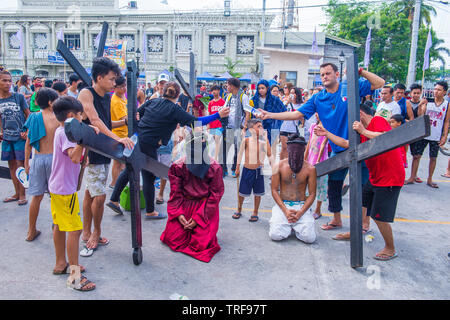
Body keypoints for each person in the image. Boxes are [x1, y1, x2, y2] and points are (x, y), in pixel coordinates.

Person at [258, 63, 385, 231]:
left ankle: (364, 223)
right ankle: (337, 219)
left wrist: (359, 71)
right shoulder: (319, 98)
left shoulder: (349, 87)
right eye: (322, 74)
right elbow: (297, 114)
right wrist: (271, 115)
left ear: (337, 74)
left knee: (362, 188)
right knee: (334, 185)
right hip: (337, 149)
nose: (324, 76)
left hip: (360, 145)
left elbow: (379, 83)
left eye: (328, 73)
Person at [107, 82, 230, 218]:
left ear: (163, 91)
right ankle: (150, 211)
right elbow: (196, 121)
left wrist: (137, 131)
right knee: (148, 176)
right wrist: (218, 115)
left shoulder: (152, 102)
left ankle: (114, 199)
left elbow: (135, 116)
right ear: (177, 95)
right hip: (149, 144)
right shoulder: (174, 109)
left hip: (137, 140)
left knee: (129, 169)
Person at [315, 103, 404, 260]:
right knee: (360, 204)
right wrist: (327, 133)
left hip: (390, 177)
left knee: (378, 216)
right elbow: (347, 144)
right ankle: (355, 231)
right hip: (376, 177)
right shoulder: (361, 133)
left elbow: (386, 137)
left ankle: (391, 248)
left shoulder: (378, 121)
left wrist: (363, 130)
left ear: (360, 114)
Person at [77, 57, 134, 256]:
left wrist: (123, 126)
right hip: (91, 150)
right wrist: (117, 140)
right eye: (111, 79)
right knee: (99, 196)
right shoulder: (86, 93)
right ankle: (95, 232)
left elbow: (106, 124)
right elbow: (94, 120)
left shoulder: (106, 96)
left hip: (102, 149)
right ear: (99, 77)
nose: (114, 83)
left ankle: (86, 231)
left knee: (90, 192)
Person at [49, 96, 97, 291]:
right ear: (70, 116)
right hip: (64, 190)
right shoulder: (67, 134)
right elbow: (75, 157)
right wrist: (84, 139)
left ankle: (61, 263)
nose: (82, 118)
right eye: (79, 115)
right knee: (74, 230)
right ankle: (75, 276)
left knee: (60, 225)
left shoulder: (61, 131)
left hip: (58, 187)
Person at [160, 131, 224, 263]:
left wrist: (198, 218)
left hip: (204, 207)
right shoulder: (178, 166)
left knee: (200, 244)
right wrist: (178, 214)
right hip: (184, 206)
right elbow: (175, 193)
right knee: (173, 238)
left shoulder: (214, 168)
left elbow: (215, 196)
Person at [23, 88, 59, 241]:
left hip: (37, 159)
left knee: (36, 197)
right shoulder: (58, 118)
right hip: (55, 160)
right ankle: (56, 227)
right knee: (56, 196)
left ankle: (31, 231)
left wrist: (26, 163)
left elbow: (28, 143)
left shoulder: (34, 117)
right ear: (51, 102)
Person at [269, 134, 317, 243]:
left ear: (303, 150)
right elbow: (274, 190)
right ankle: (288, 224)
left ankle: (294, 225)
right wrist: (285, 211)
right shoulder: (279, 166)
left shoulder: (310, 169)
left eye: (298, 151)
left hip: (301, 206)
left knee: (309, 238)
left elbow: (312, 194)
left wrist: (300, 213)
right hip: (283, 205)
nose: (295, 154)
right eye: (293, 151)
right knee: (275, 235)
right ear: (288, 149)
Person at [406, 81, 450, 189]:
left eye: (439, 90)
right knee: (417, 156)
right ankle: (412, 177)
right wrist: (421, 105)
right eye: (435, 89)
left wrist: (444, 135)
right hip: (424, 133)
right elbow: (421, 116)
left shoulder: (447, 104)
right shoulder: (428, 101)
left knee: (433, 158)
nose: (436, 92)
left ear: (444, 92)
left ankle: (430, 178)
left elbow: (446, 121)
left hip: (436, 135)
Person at [0, 70, 30, 206]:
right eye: (4, 80)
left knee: (20, 166)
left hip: (20, 137)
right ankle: (16, 193)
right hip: (6, 138)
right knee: (11, 165)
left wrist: (27, 130)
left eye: (9, 80)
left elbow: (28, 114)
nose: (7, 83)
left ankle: (23, 194)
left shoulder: (18, 97)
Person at [233, 119, 272, 222]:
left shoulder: (263, 142)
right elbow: (240, 154)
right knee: (242, 192)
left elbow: (269, 153)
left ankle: (255, 212)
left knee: (258, 193)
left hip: (258, 171)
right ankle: (239, 209)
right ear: (251, 129)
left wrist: (267, 139)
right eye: (258, 126)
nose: (261, 128)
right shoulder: (246, 140)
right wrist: (237, 168)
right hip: (247, 170)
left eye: (261, 126)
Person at [220, 78, 251, 177]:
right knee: (224, 149)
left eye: (228, 85)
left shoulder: (243, 96)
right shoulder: (228, 96)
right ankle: (223, 169)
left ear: (233, 86)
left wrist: (244, 128)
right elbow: (225, 108)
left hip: (238, 128)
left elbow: (247, 113)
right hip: (229, 127)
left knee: (237, 149)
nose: (226, 87)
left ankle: (234, 168)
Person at [304, 114, 330, 220]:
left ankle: (317, 210)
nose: (316, 114)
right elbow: (309, 143)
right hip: (310, 160)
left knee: (321, 186)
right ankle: (306, 208)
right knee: (307, 185)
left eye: (319, 112)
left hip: (322, 161)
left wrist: (318, 160)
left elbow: (323, 144)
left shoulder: (327, 128)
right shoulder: (313, 126)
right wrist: (304, 159)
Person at [251, 79, 286, 146]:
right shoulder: (253, 99)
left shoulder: (274, 99)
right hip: (256, 126)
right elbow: (249, 113)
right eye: (259, 88)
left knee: (270, 149)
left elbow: (283, 110)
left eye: (263, 88)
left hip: (271, 126)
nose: (261, 90)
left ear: (267, 88)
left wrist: (274, 118)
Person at [405, 84, 427, 184]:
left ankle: (412, 176)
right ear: (410, 93)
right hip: (406, 132)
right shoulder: (406, 103)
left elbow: (421, 115)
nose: (416, 95)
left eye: (418, 93)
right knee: (402, 154)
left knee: (416, 156)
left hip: (417, 133)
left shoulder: (423, 104)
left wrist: (420, 105)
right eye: (414, 93)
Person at [109, 75, 128, 189]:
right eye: (121, 87)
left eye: (124, 86)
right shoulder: (115, 101)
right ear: (114, 88)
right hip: (118, 134)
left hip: (124, 134)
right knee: (117, 162)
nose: (124, 89)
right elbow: (124, 119)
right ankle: (114, 183)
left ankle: (117, 183)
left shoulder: (122, 97)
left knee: (121, 162)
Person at [280, 87, 302, 160]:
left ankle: (289, 163)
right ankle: (281, 164)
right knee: (284, 147)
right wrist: (287, 102)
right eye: (291, 93)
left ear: (297, 94)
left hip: (293, 128)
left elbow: (302, 118)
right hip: (284, 127)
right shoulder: (286, 103)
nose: (292, 95)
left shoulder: (300, 105)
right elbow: (280, 111)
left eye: (293, 93)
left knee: (292, 148)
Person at [207, 85, 225, 161]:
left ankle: (215, 159)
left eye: (215, 90)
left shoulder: (223, 102)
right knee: (213, 141)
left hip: (219, 125)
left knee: (217, 139)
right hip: (212, 125)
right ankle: (214, 156)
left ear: (219, 91)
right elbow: (209, 114)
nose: (214, 92)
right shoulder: (210, 103)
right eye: (212, 90)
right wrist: (208, 125)